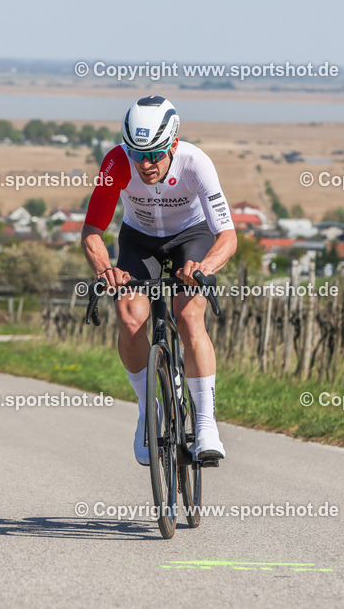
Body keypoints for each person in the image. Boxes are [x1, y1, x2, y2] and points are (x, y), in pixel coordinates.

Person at [81, 96, 237, 465]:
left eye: (154, 154)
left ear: (173, 144)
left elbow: (227, 236)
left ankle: (205, 424)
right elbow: (92, 231)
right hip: (139, 237)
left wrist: (203, 269)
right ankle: (146, 410)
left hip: (191, 236)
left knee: (187, 314)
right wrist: (106, 269)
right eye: (138, 154)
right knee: (130, 315)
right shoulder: (117, 162)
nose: (146, 164)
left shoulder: (195, 163)